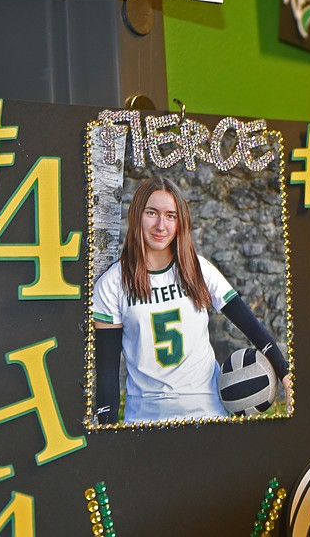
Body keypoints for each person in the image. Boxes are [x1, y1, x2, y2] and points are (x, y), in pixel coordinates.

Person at [92, 176, 290, 424]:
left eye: (171, 216)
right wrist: (106, 431)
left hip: (208, 416)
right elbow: (107, 373)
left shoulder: (198, 269)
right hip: (146, 422)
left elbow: (251, 326)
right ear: (136, 216)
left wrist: (284, 373)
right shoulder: (112, 284)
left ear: (180, 222)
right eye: (152, 213)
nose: (161, 225)